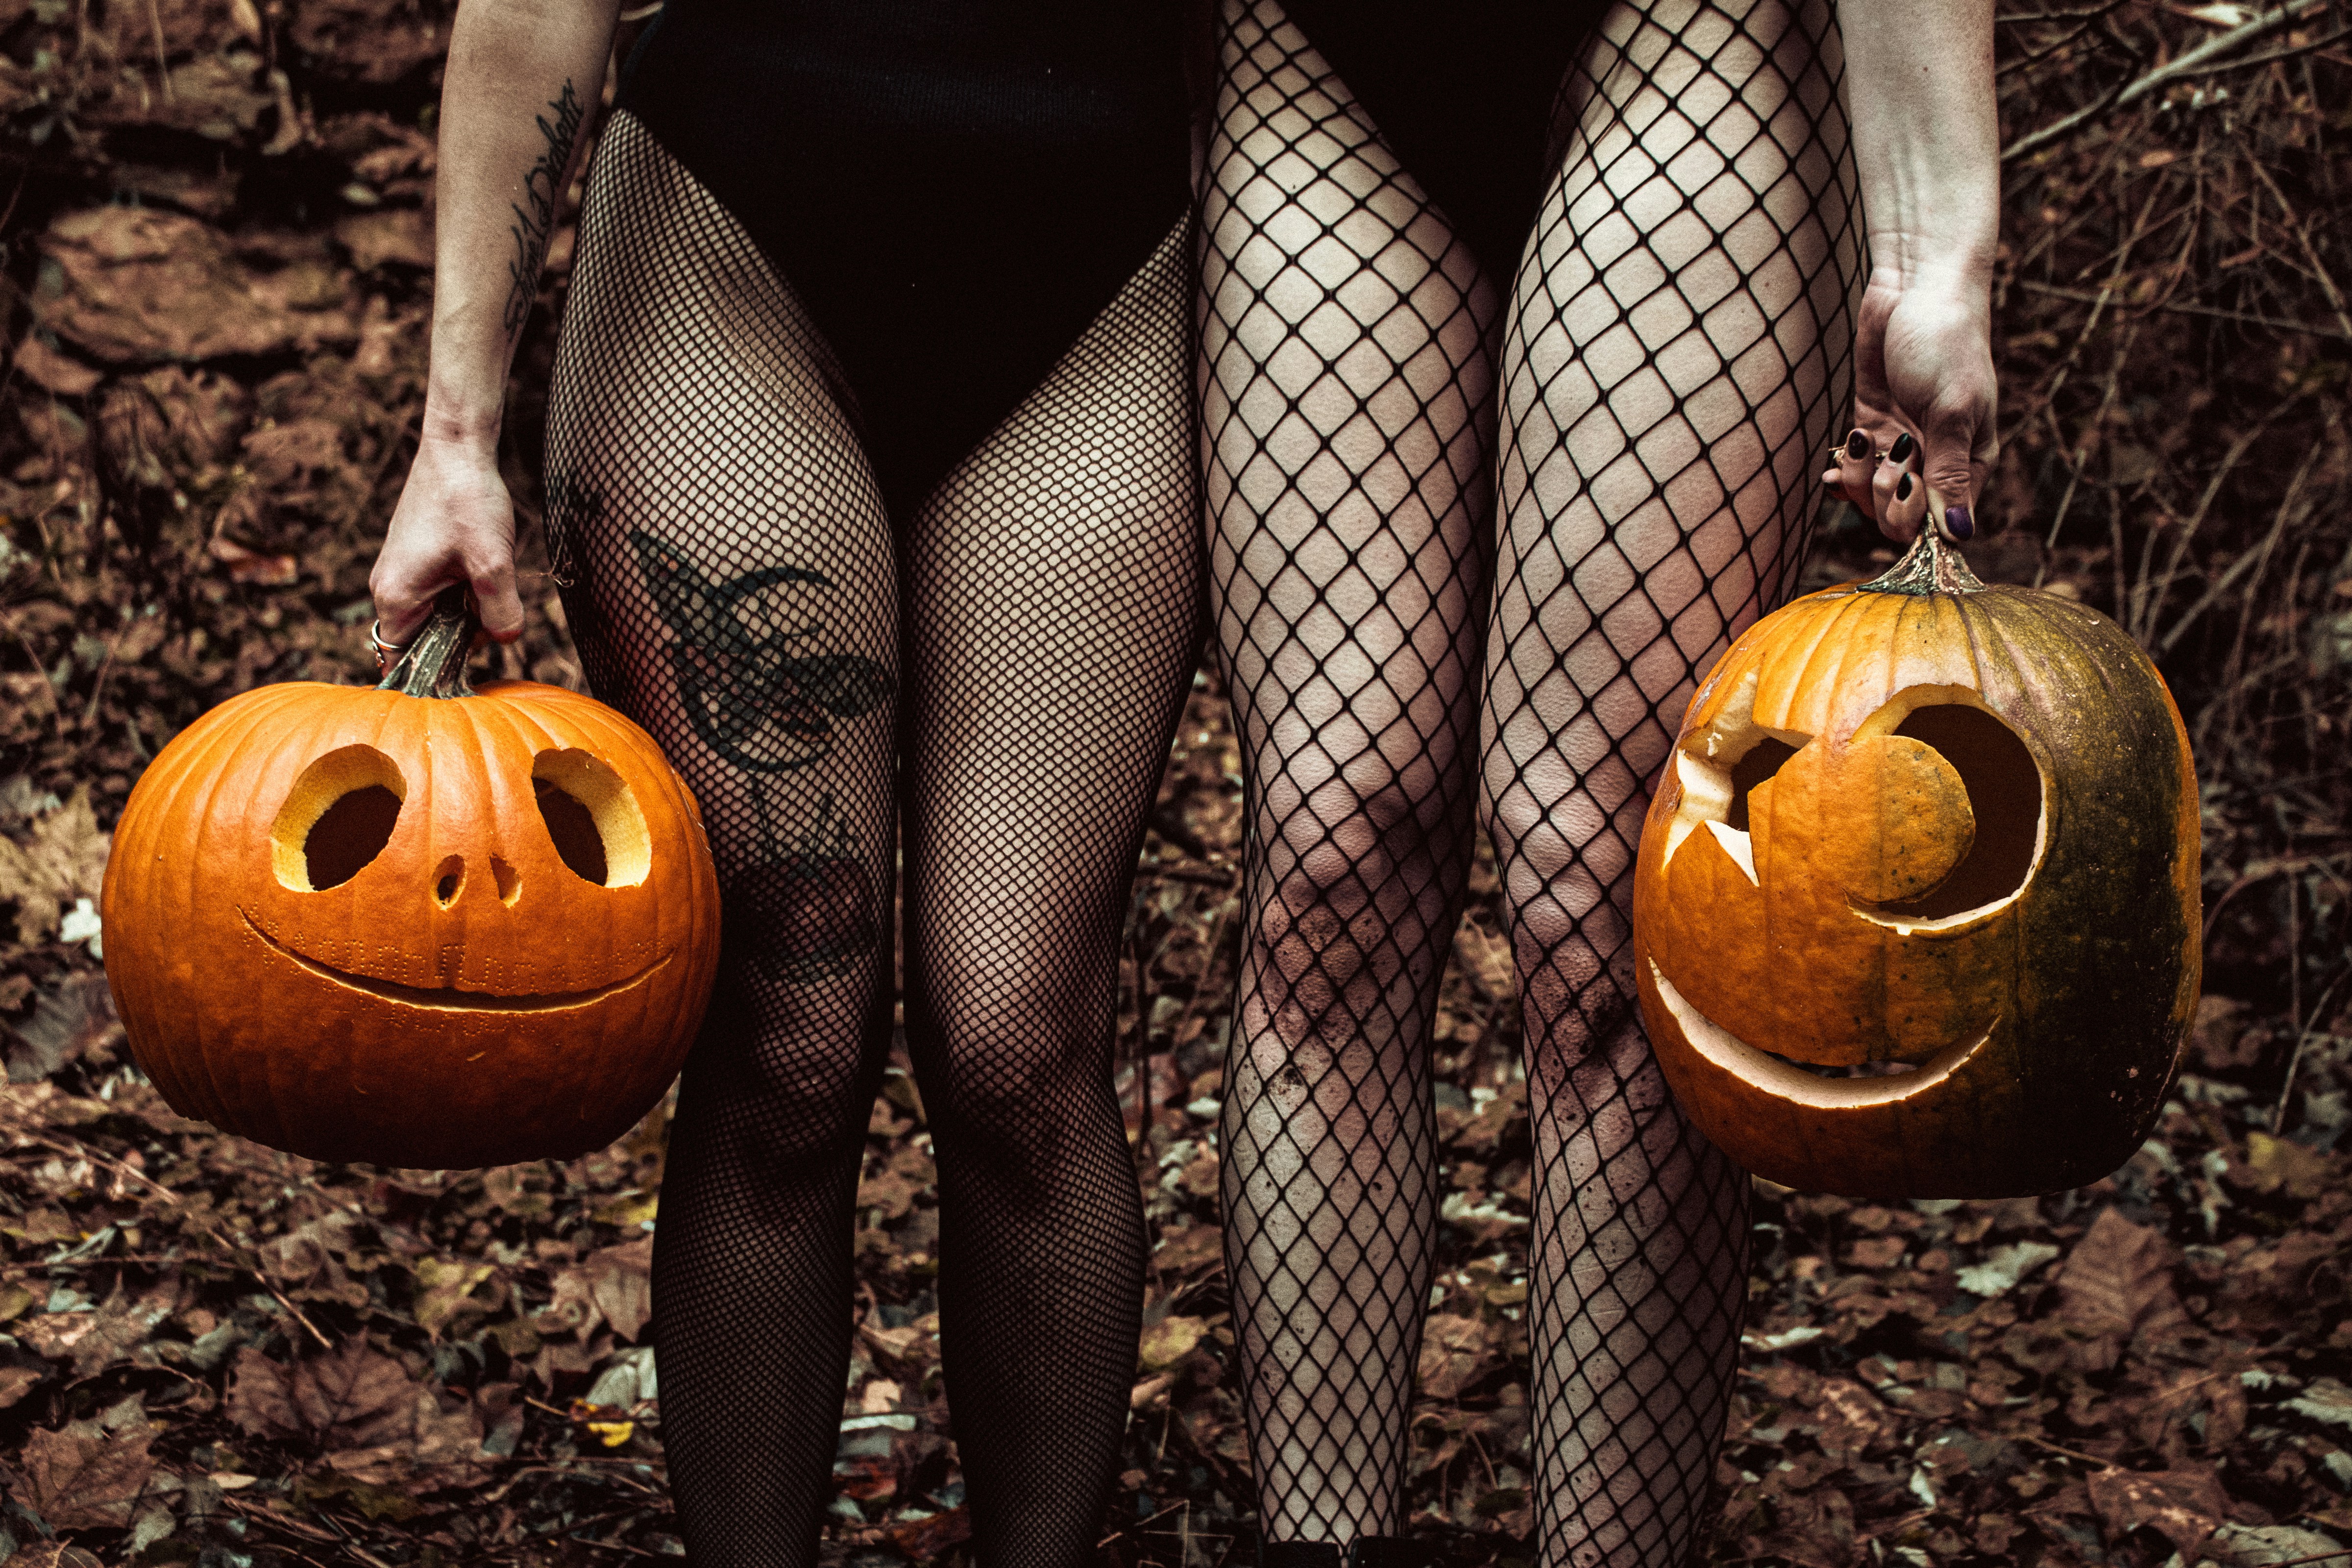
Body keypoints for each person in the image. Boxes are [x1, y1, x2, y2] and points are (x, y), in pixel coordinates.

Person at [369, 4, 1209, 1565]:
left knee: (1021, 1048)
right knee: (787, 1037)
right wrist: (456, 431)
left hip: (1107, 268)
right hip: (727, 244)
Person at [1199, 0, 1995, 1563]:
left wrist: (1936, 242)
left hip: (1694, 46)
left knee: (1614, 910)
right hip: (1312, 59)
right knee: (1328, 876)